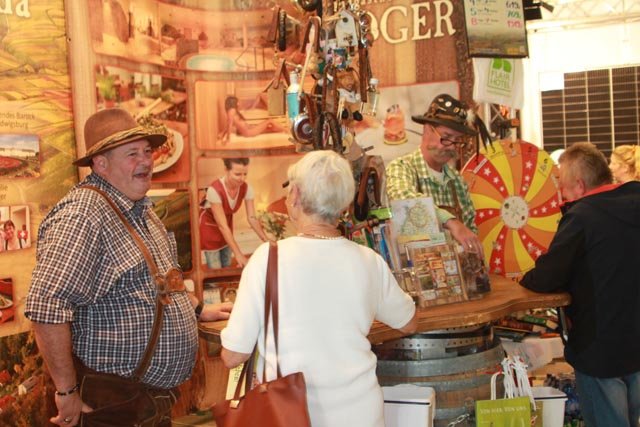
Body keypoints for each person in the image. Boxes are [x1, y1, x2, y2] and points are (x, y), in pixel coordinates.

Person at [25, 108, 232, 427]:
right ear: (100, 163)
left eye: (147, 151)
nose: (146, 161)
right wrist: (66, 391)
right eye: (132, 154)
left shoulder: (141, 209)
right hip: (112, 403)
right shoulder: (82, 215)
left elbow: (162, 281)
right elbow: (46, 307)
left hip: (147, 402)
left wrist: (198, 309)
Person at [220, 150, 418, 427]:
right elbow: (408, 322)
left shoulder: (268, 258)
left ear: (296, 195)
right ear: (344, 204)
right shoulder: (368, 260)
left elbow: (234, 355)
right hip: (362, 413)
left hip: (290, 414)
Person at [519, 142, 640, 427]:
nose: (561, 193)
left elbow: (546, 277)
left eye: (562, 185)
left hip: (599, 347)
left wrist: (523, 278)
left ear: (580, 185)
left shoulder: (582, 215)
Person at [386, 93, 483, 255]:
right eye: (446, 137)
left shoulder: (457, 182)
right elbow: (404, 199)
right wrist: (451, 222)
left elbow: (470, 232)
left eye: (458, 140)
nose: (452, 146)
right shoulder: (402, 168)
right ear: (426, 130)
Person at [200, 157, 269, 269]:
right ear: (226, 170)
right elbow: (222, 226)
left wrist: (266, 240)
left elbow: (252, 218)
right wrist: (238, 254)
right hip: (210, 229)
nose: (242, 179)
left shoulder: (247, 188)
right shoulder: (214, 190)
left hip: (227, 226)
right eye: (237, 174)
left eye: (245, 174)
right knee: (216, 268)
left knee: (226, 265)